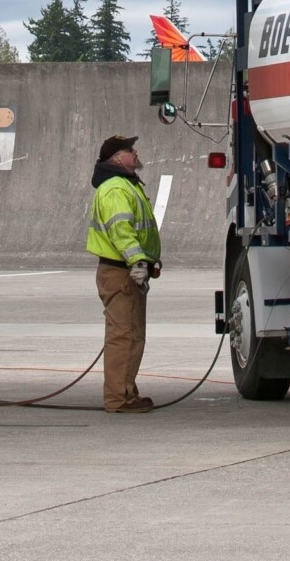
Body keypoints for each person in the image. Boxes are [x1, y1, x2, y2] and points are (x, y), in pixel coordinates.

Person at [87, 134, 162, 413]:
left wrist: (145, 262)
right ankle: (118, 398)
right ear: (118, 158)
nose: (136, 152)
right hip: (121, 274)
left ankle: (126, 392)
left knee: (132, 335)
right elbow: (121, 231)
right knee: (124, 336)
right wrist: (137, 261)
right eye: (131, 150)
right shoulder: (116, 189)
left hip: (125, 272)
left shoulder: (125, 185)